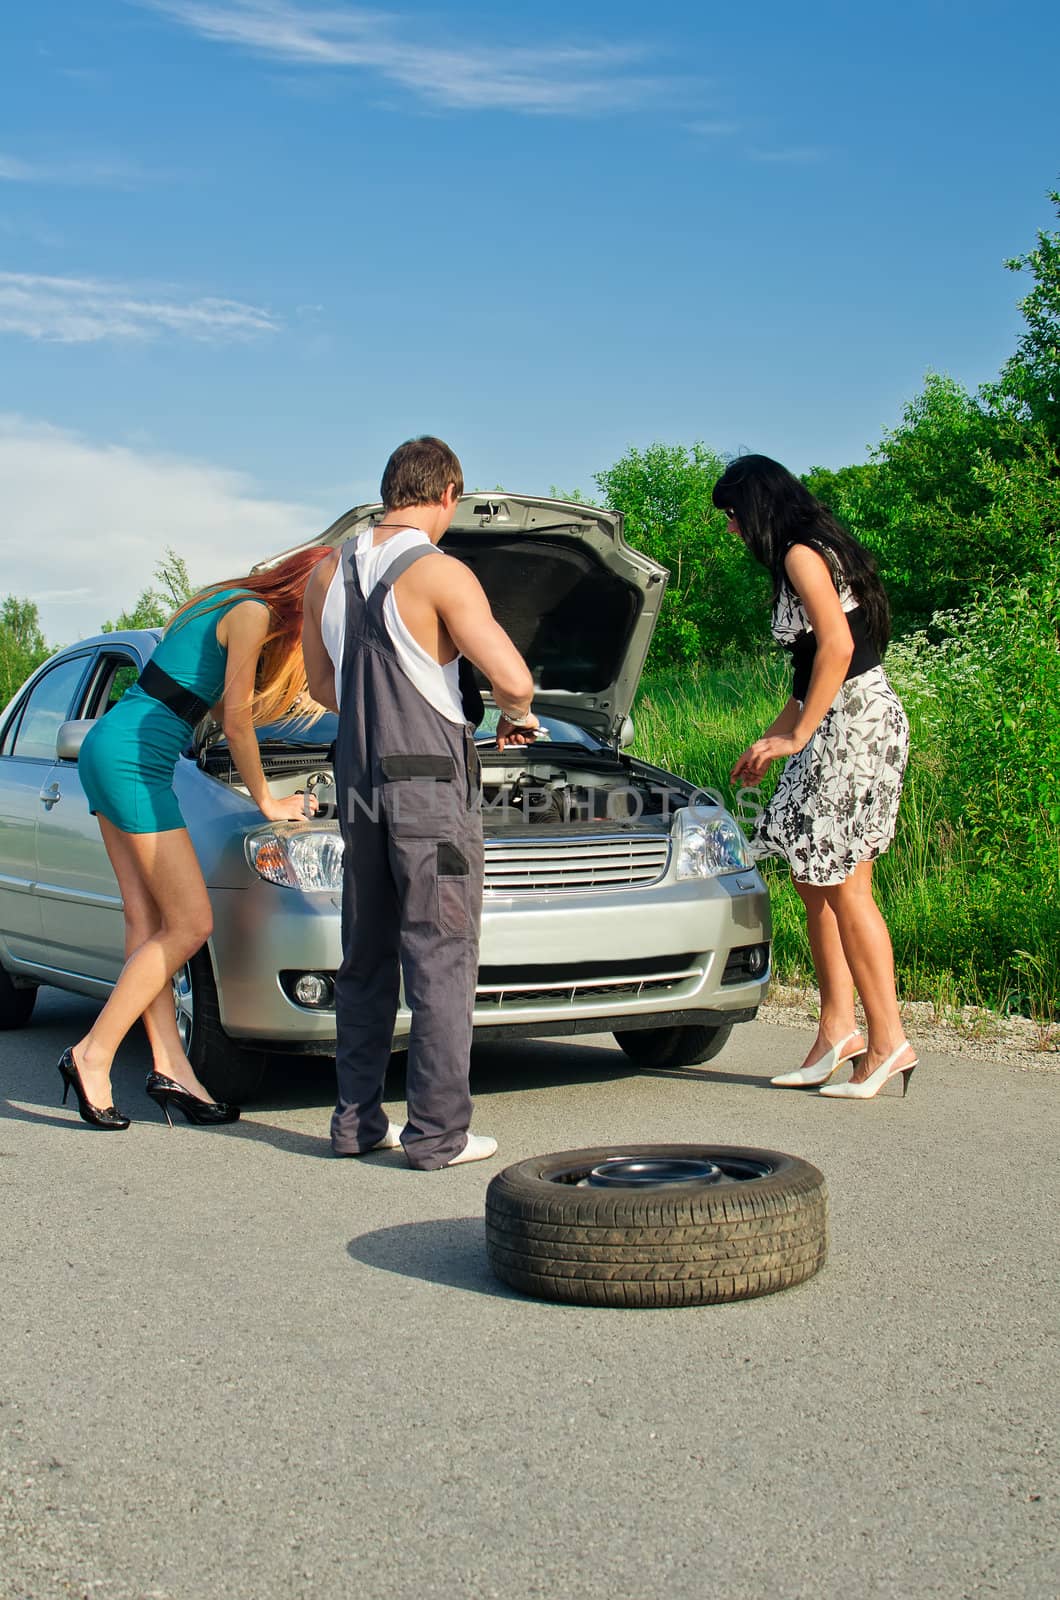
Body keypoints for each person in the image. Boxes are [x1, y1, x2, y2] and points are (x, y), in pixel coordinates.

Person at [301, 436, 539, 1169]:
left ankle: (356, 1124)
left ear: (388, 489)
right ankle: (438, 1134)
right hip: (429, 790)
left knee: (365, 955)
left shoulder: (325, 573)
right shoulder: (440, 572)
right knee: (440, 954)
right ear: (446, 494)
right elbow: (516, 679)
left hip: (359, 784)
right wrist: (511, 713)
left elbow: (321, 690)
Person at [63, 546, 334, 1130]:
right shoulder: (253, 613)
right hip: (134, 759)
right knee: (191, 924)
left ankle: (171, 1067)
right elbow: (235, 720)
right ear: (305, 586)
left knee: (146, 924)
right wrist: (267, 800)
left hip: (116, 747)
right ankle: (93, 1053)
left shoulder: (223, 599)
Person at [712, 454, 916, 1100]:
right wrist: (775, 740)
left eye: (733, 517)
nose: (731, 531)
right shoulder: (810, 553)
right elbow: (808, 677)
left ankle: (887, 1040)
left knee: (847, 885)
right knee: (811, 877)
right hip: (831, 723)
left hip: (853, 726)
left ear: (759, 508)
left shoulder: (804, 553)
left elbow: (840, 648)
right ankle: (837, 1031)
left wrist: (797, 736)